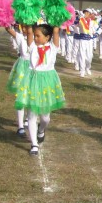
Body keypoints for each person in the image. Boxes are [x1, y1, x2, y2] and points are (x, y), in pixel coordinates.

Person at [14, 23, 66, 155]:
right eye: (35, 36)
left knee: (45, 118)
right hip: (33, 81)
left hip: (47, 82)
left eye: (39, 36)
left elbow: (55, 32)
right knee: (31, 115)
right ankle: (34, 145)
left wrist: (57, 21)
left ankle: (41, 130)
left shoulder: (53, 47)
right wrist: (28, 18)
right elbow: (29, 33)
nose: (36, 38)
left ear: (47, 37)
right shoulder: (32, 47)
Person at [5, 24, 32, 136]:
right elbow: (8, 29)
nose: (25, 29)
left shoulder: (38, 38)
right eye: (23, 27)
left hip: (33, 68)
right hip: (22, 68)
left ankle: (28, 119)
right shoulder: (20, 37)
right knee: (20, 96)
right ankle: (20, 126)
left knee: (31, 95)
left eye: (27, 27)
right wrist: (4, 18)